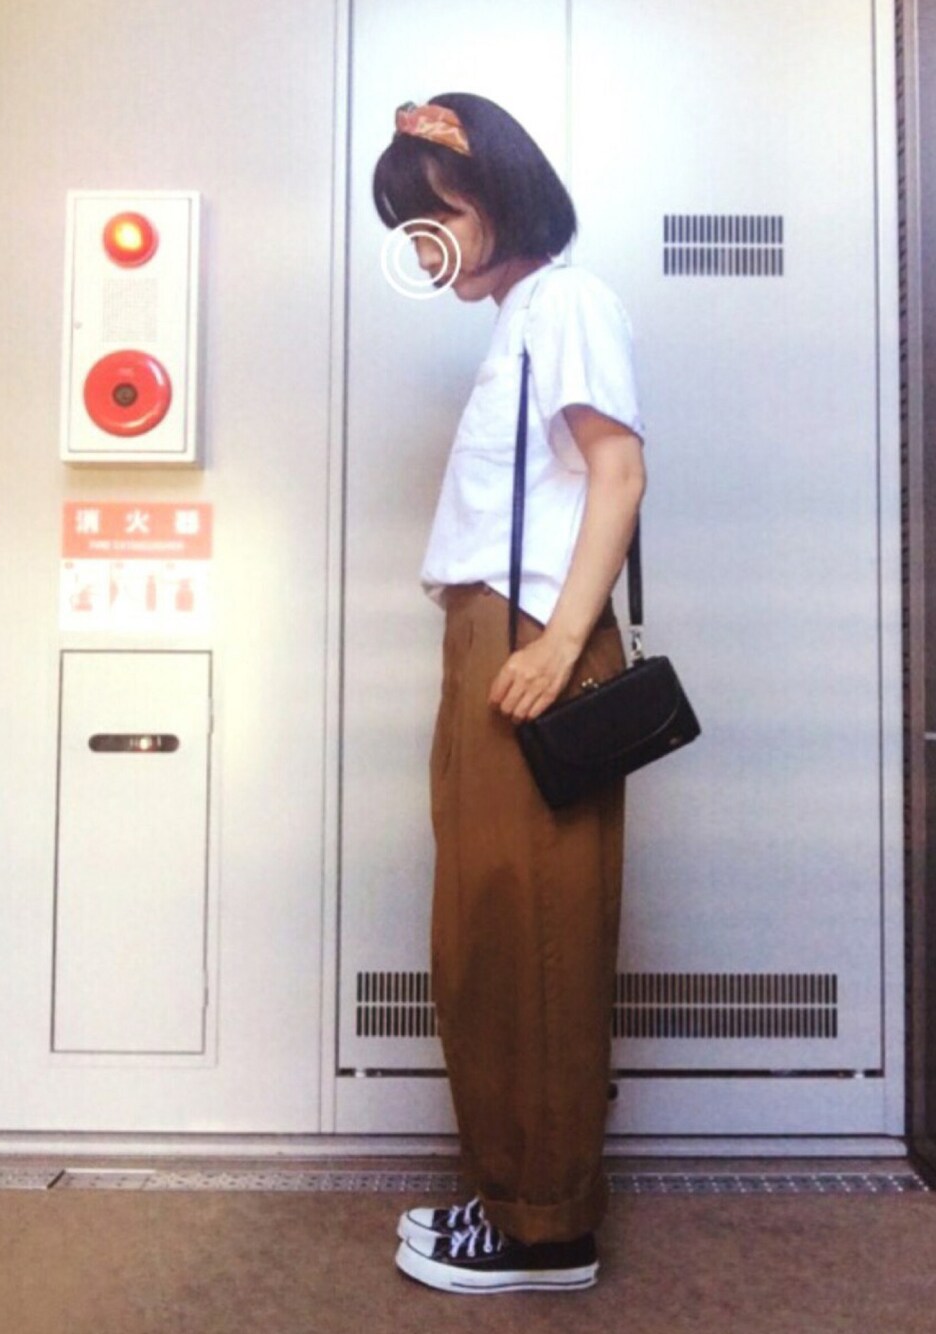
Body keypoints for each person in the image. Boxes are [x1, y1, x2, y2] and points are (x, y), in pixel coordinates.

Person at [372, 93, 646, 1295]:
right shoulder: (523, 318)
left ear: (492, 198)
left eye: (431, 214)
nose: (422, 244)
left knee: (528, 936)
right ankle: (519, 1197)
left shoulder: (567, 303)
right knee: (492, 931)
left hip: (532, 640)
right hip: (495, 635)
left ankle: (543, 1227)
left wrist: (558, 641)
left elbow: (617, 470)